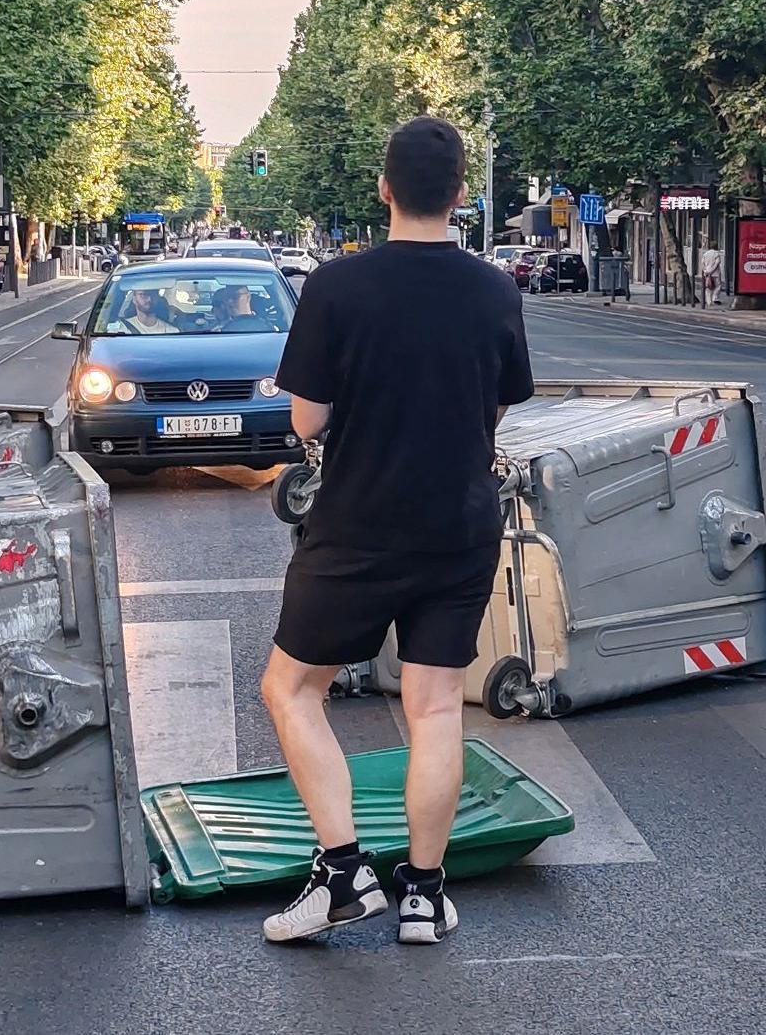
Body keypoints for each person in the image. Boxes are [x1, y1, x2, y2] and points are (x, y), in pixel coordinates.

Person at [260, 115, 534, 946]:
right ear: (459, 195)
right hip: (458, 525)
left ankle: (342, 877)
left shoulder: (338, 287)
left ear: (383, 188)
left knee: (292, 688)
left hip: (356, 524)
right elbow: (494, 405)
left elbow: (308, 415)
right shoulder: (495, 289)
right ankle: (422, 892)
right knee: (437, 704)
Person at [111, 287, 178, 334]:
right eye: (143, 294)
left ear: (157, 297)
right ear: (134, 298)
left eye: (153, 294)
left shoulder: (172, 332)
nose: (149, 299)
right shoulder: (121, 330)